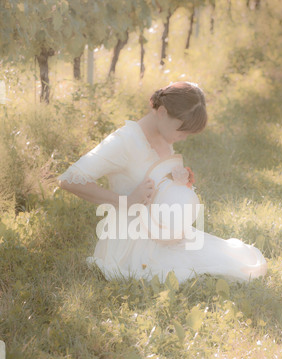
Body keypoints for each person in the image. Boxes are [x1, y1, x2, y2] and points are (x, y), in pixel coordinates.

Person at [57, 81, 268, 284]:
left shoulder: (163, 137)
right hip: (132, 242)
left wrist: (178, 182)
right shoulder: (124, 141)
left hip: (166, 232)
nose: (184, 137)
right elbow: (68, 180)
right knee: (196, 272)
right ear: (162, 112)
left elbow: (155, 182)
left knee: (233, 262)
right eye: (182, 130)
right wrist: (126, 201)